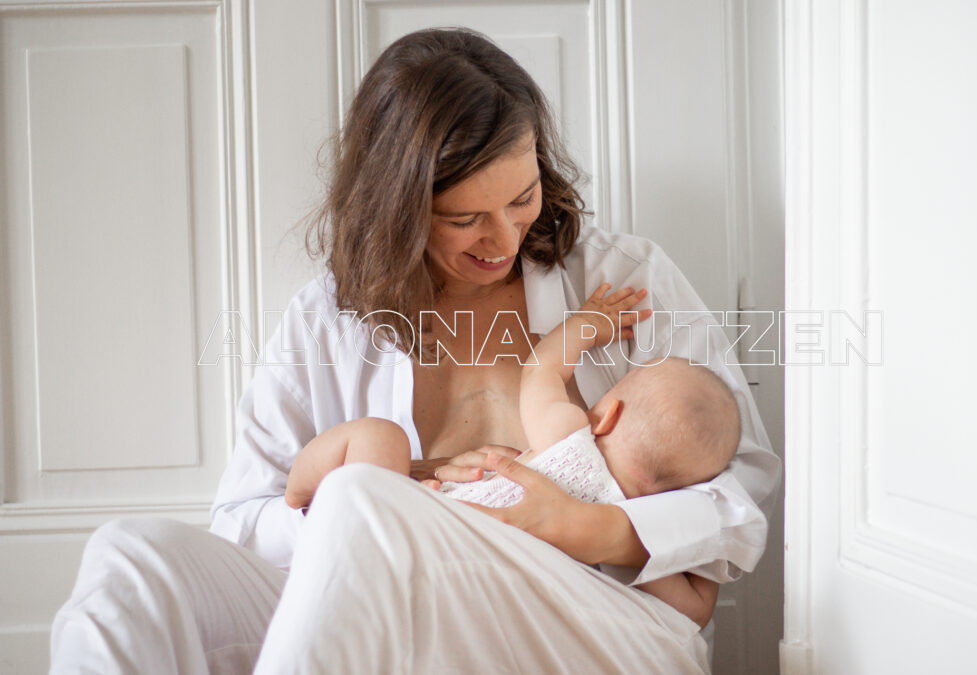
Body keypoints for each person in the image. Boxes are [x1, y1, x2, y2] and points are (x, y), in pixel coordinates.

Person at [49, 27, 781, 674]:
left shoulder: (622, 282)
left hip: (594, 614)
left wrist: (591, 525)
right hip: (386, 597)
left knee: (362, 497)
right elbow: (243, 519)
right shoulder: (330, 317)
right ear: (397, 208)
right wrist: (387, 504)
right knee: (130, 558)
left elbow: (739, 481)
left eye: (522, 198)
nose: (505, 239)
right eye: (465, 219)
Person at [282, 283, 743, 629]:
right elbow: (692, 612)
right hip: (452, 585)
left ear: (608, 414)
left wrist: (588, 324)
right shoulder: (633, 528)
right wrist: (706, 552)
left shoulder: (571, 438)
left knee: (381, 438)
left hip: (418, 524)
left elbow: (541, 368)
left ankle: (303, 493)